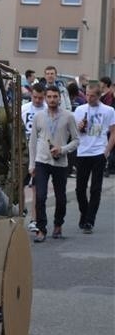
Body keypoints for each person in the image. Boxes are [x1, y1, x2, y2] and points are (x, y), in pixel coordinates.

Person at [29, 85, 79, 242]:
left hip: (60, 163)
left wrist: (62, 149)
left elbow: (77, 140)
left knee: (61, 198)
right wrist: (32, 164)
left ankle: (58, 225)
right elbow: (32, 142)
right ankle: (41, 229)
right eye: (49, 97)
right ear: (45, 97)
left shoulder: (68, 116)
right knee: (40, 196)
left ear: (59, 98)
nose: (52, 100)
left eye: (55, 97)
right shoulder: (39, 116)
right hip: (41, 161)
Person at [73, 83, 115, 234]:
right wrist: (80, 126)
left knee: (96, 189)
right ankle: (84, 213)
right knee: (79, 189)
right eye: (87, 94)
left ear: (99, 95)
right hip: (83, 152)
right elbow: (74, 132)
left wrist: (107, 151)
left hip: (99, 152)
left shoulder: (108, 110)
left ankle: (90, 221)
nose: (88, 98)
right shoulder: (80, 110)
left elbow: (113, 132)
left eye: (92, 96)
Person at [21, 83, 47, 232]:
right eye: (35, 97)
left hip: (41, 153)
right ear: (31, 95)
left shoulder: (46, 110)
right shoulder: (24, 109)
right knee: (21, 185)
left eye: (40, 98)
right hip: (25, 152)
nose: (37, 100)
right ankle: (23, 209)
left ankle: (34, 218)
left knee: (37, 187)